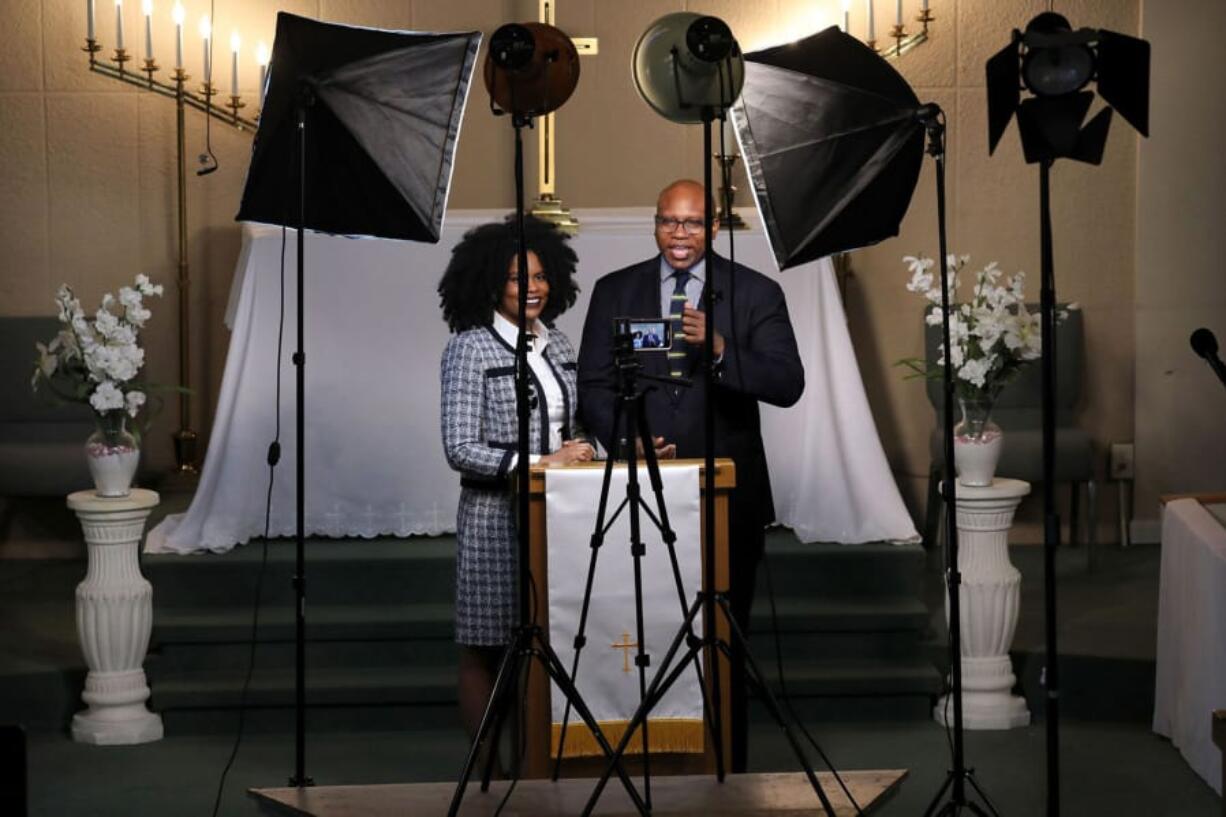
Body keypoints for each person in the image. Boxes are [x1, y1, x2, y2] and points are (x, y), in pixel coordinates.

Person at [577, 179, 804, 773]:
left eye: (694, 223)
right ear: (655, 225)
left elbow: (788, 383)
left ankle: (725, 765)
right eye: (669, 222)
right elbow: (593, 386)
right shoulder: (614, 290)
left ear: (714, 228)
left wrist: (724, 348)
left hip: (727, 494)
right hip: (640, 489)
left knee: (725, 637)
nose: (680, 235)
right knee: (646, 629)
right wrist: (627, 443)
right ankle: (648, 761)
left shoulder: (754, 293)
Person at [438, 217, 595, 761]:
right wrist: (540, 461)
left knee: (545, 643)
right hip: (493, 517)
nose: (533, 287)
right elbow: (460, 447)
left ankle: (535, 767)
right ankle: (487, 774)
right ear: (490, 283)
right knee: (487, 646)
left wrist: (592, 447)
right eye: (516, 278)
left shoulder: (560, 343)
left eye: (541, 275)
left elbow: (573, 426)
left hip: (561, 515)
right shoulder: (470, 349)